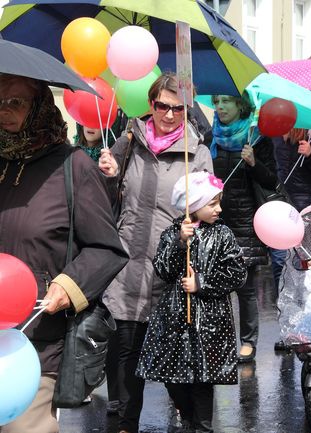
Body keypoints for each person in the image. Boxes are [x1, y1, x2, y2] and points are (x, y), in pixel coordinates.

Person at [0, 73, 128, 433]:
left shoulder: (72, 167)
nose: (4, 111)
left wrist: (70, 285)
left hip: (38, 340)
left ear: (39, 105)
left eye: (16, 102)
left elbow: (107, 249)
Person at [99, 72, 213, 433]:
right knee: (127, 358)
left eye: (178, 108)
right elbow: (103, 193)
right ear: (151, 104)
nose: (168, 114)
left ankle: (191, 418)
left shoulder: (198, 152)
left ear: (187, 109)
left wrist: (193, 230)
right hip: (129, 267)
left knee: (172, 364)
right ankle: (125, 425)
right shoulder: (129, 141)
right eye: (162, 105)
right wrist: (108, 173)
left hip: (172, 270)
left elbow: (210, 210)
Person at [136, 172, 247, 433]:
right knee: (173, 378)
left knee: (203, 381)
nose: (219, 209)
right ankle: (187, 415)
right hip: (174, 319)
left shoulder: (223, 234)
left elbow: (237, 273)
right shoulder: (173, 232)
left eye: (220, 202)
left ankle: (202, 426)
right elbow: (162, 269)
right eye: (212, 203)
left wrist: (202, 283)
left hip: (210, 321)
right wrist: (179, 243)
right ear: (192, 205)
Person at [210, 93, 278, 363]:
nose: (220, 107)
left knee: (245, 287)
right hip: (217, 220)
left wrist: (253, 163)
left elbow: (272, 179)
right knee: (215, 287)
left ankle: (248, 342)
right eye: (217, 102)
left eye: (226, 101)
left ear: (241, 105)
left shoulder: (257, 138)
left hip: (246, 221)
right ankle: (220, 340)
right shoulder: (211, 136)